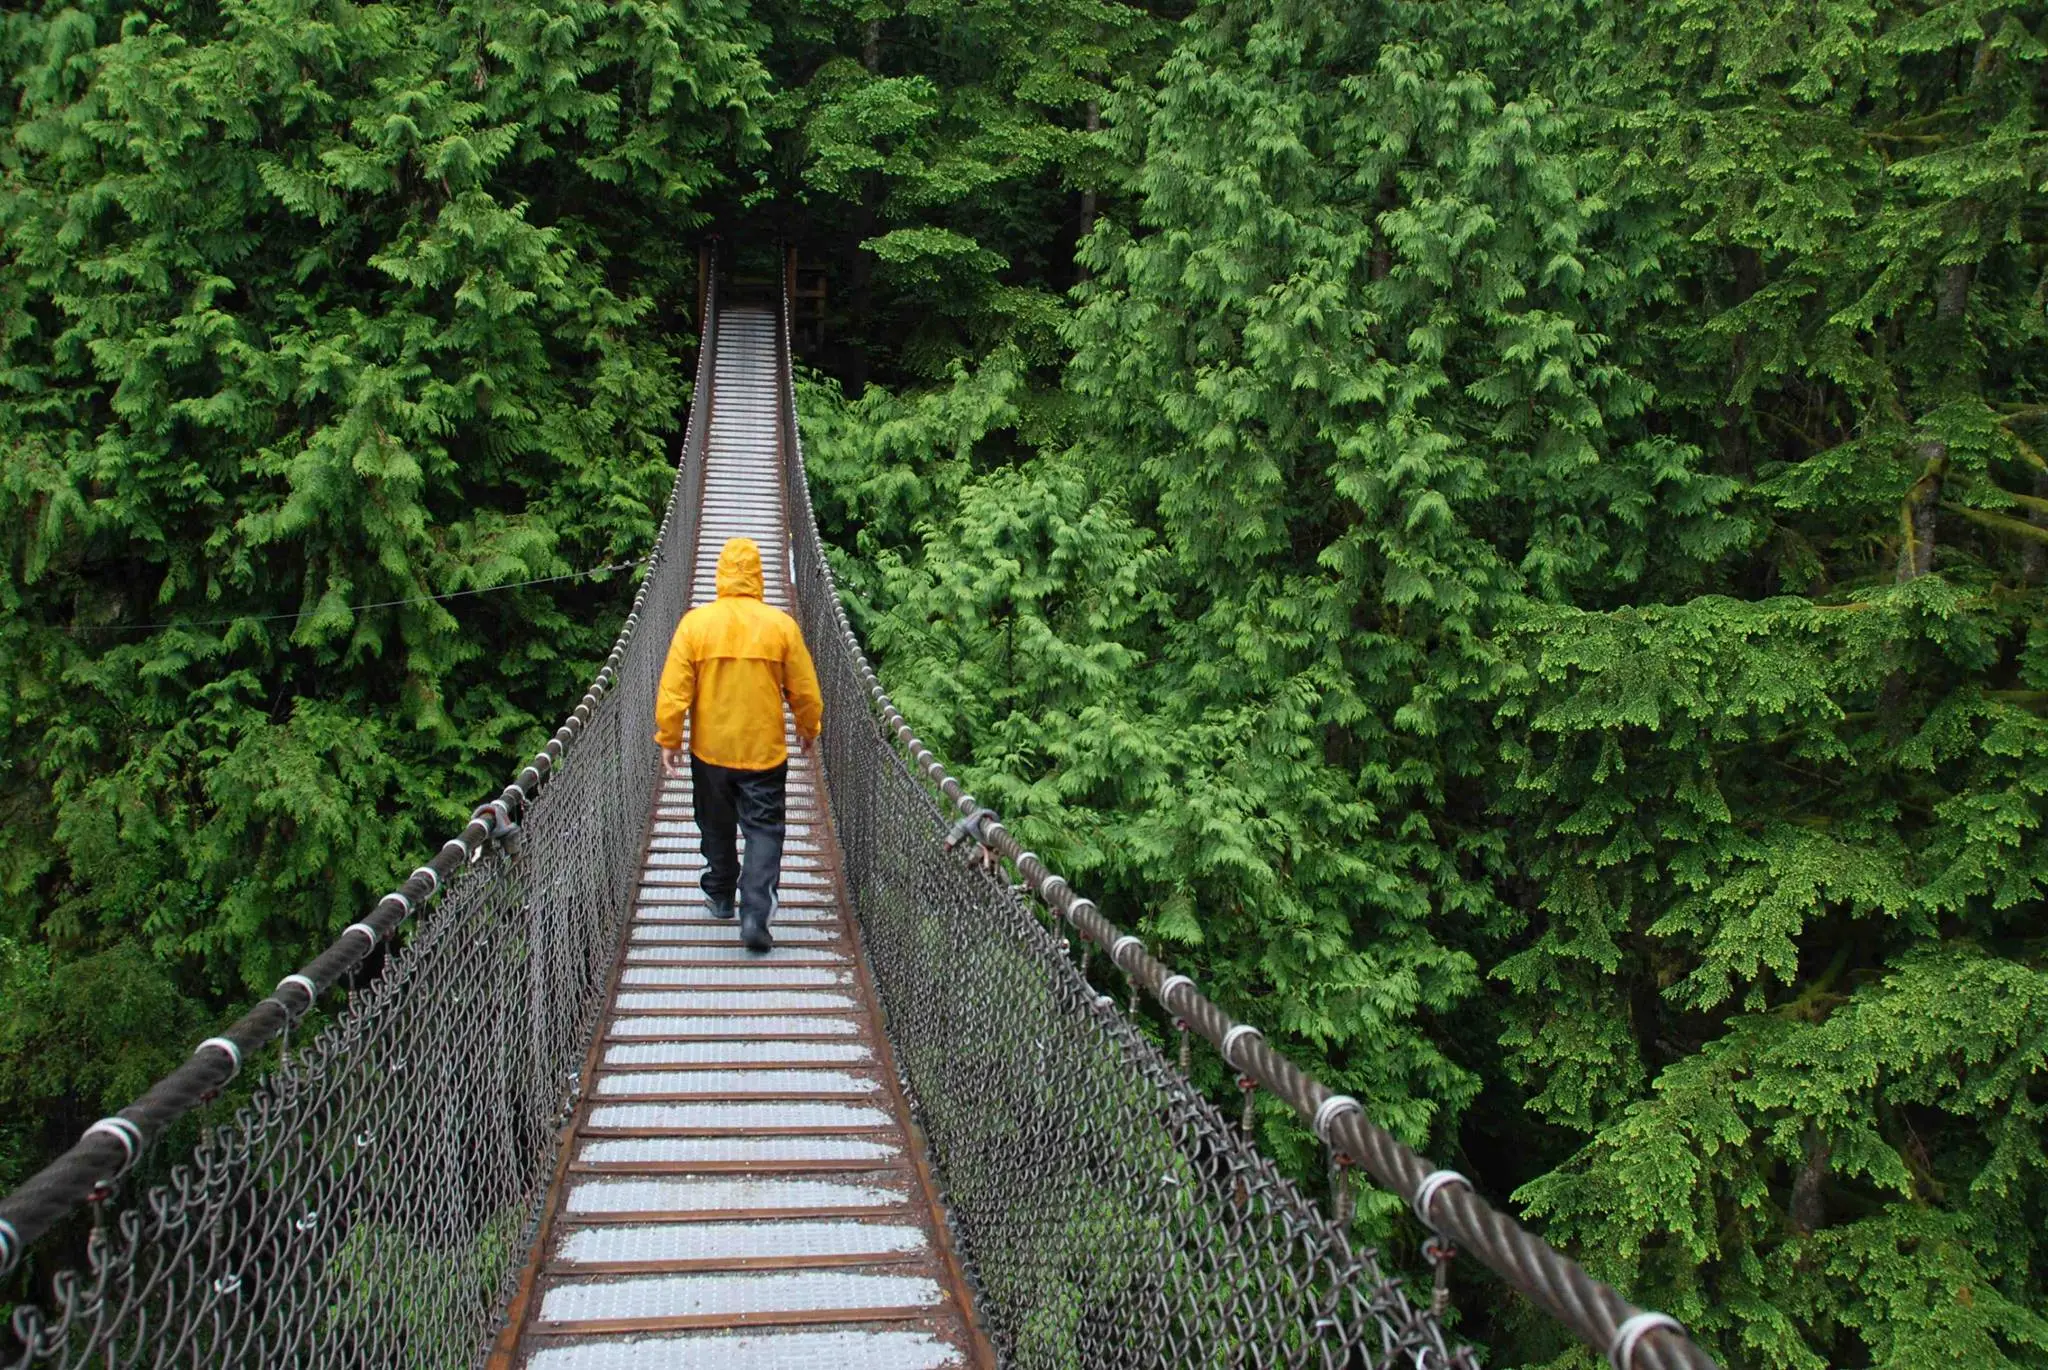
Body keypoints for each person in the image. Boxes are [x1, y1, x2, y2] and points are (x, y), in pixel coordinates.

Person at [653, 537, 824, 952]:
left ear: (721, 574)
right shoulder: (780, 626)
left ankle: (720, 892)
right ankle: (755, 909)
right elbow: (804, 689)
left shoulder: (696, 624)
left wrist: (670, 737)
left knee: (715, 823)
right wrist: (808, 726)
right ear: (759, 576)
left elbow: (675, 690)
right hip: (764, 753)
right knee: (764, 829)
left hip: (710, 752)